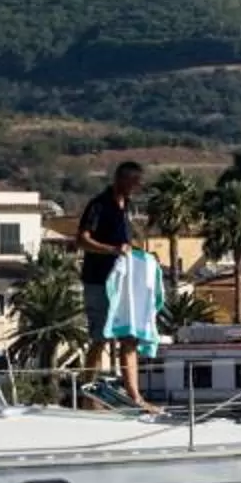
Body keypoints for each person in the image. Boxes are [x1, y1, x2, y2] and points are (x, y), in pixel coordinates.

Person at [74, 160, 147, 408]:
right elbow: (81, 240)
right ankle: (87, 396)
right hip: (98, 280)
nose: (136, 188)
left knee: (130, 337)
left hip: (123, 283)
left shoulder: (126, 206)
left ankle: (135, 397)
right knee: (99, 337)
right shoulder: (99, 205)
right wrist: (112, 250)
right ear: (121, 179)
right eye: (133, 183)